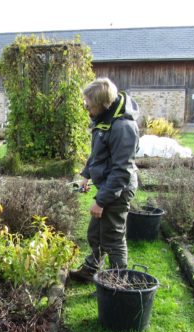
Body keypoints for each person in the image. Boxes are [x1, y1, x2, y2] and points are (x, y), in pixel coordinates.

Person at [69, 77, 140, 282]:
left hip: (118, 189)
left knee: (113, 238)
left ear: (104, 104)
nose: (87, 110)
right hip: (108, 186)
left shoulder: (122, 127)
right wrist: (86, 175)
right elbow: (98, 153)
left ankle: (116, 284)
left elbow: (122, 171)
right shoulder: (105, 119)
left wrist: (101, 201)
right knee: (95, 233)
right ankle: (91, 269)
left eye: (89, 106)